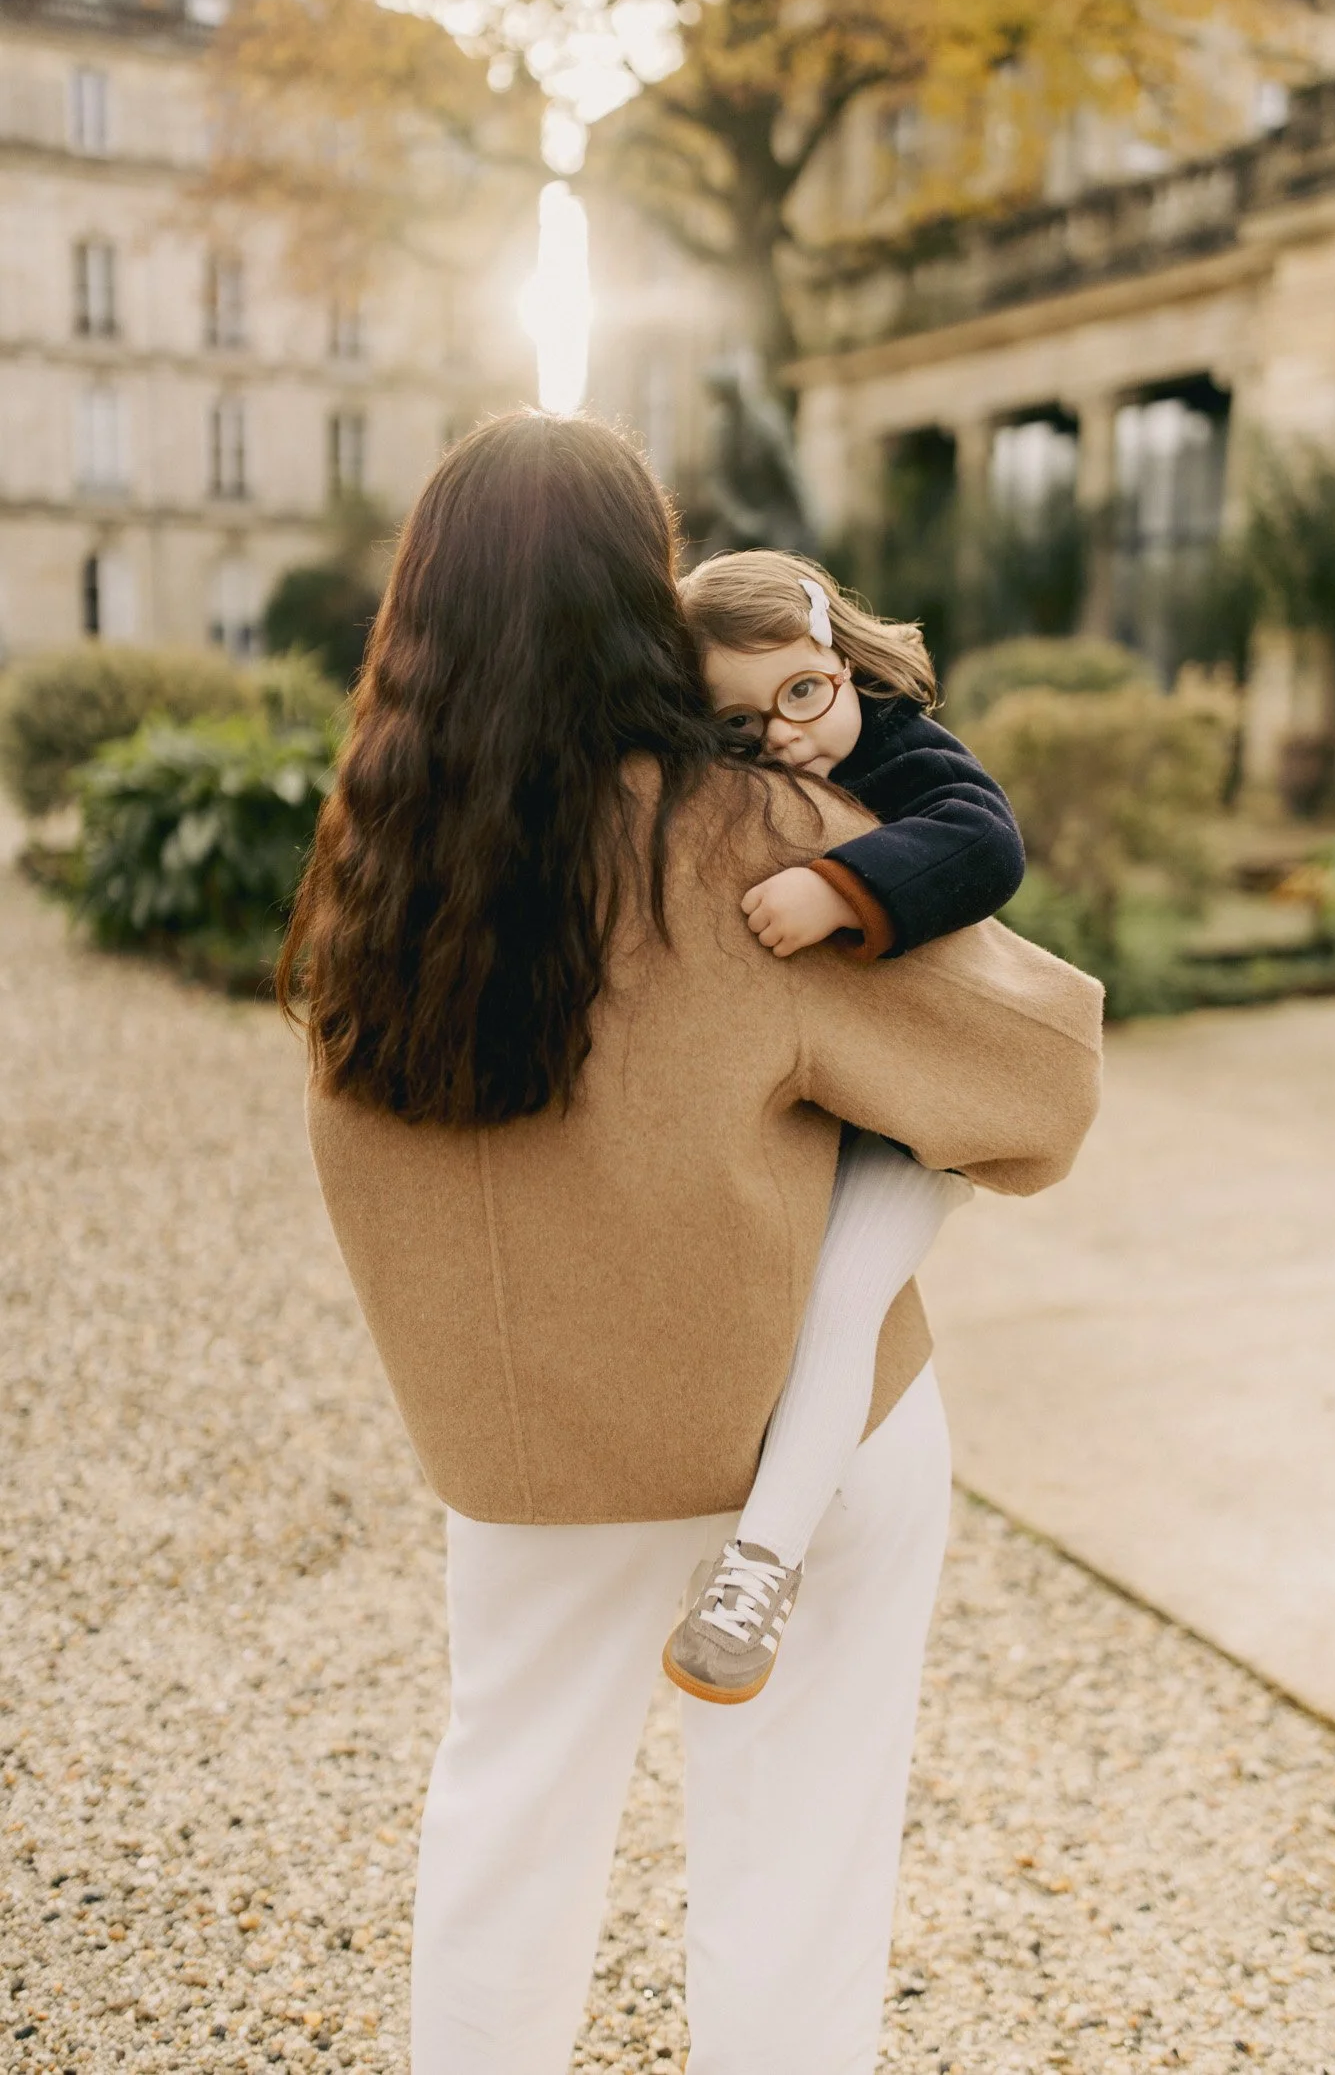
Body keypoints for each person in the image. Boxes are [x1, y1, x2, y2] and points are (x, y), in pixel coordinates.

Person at [280, 410, 1103, 2075]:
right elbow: (1044, 1077)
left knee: (504, 1829)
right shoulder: (740, 832)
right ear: (637, 598)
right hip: (796, 1438)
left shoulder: (372, 865)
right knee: (795, 1868)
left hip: (523, 1465)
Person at [665, 549, 1027, 1702]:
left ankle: (754, 1575)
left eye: (801, 694)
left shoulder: (898, 743)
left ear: (837, 658)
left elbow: (984, 837)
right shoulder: (735, 768)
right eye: (737, 722)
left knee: (838, 1297)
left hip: (920, 1110)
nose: (782, 734)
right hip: (826, 1092)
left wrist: (839, 887)